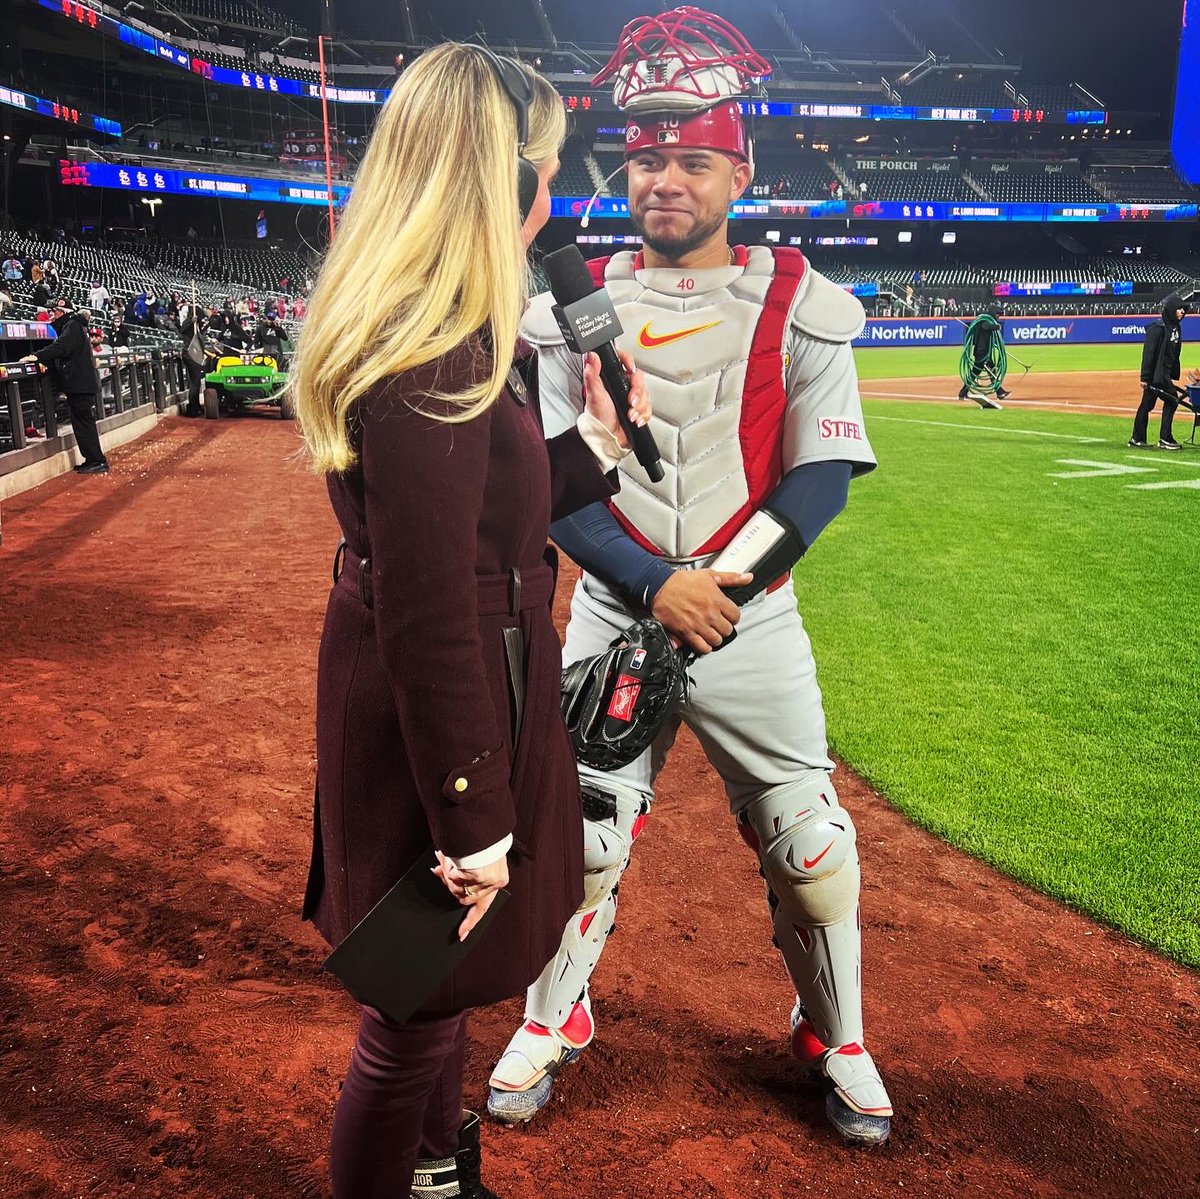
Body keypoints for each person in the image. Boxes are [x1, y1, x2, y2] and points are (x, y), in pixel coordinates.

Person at [486, 5, 893, 1149]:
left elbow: (820, 479)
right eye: (648, 156)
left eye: (693, 157)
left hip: (748, 617)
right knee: (587, 831)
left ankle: (839, 1033)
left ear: (739, 169)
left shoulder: (806, 299)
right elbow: (557, 485)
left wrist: (718, 590)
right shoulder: (562, 312)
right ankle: (550, 1011)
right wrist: (655, 584)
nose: (665, 176)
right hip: (620, 605)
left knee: (810, 840)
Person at [290, 43, 651, 1199]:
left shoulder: (432, 321)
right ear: (499, 186)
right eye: (546, 171)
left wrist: (590, 444)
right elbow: (435, 599)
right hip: (450, 697)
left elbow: (479, 512)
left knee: (436, 998)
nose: (558, 200)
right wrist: (471, 815)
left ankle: (445, 1181)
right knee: (410, 1014)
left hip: (464, 675)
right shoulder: (431, 344)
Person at [19, 298, 108, 474]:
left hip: (81, 385)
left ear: (64, 312)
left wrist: (37, 356)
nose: (52, 315)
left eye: (55, 312)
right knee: (83, 423)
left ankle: (97, 460)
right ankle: (93, 459)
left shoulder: (72, 325)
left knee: (84, 424)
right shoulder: (74, 325)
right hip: (81, 384)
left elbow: (61, 347)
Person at [1130, 296, 1189, 450]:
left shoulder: (1175, 327)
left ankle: (1137, 438)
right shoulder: (1157, 328)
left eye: (1184, 309)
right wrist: (1145, 377)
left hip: (1164, 373)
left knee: (1147, 404)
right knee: (1172, 400)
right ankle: (1165, 438)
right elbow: (1148, 354)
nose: (1182, 312)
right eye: (1179, 309)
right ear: (1171, 309)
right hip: (1157, 374)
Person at [957, 307, 1009, 408]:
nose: (998, 316)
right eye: (997, 314)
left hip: (984, 351)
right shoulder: (984, 321)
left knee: (979, 373)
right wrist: (996, 327)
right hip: (982, 352)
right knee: (987, 371)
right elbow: (986, 326)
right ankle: (1000, 392)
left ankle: (963, 393)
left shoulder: (984, 320)